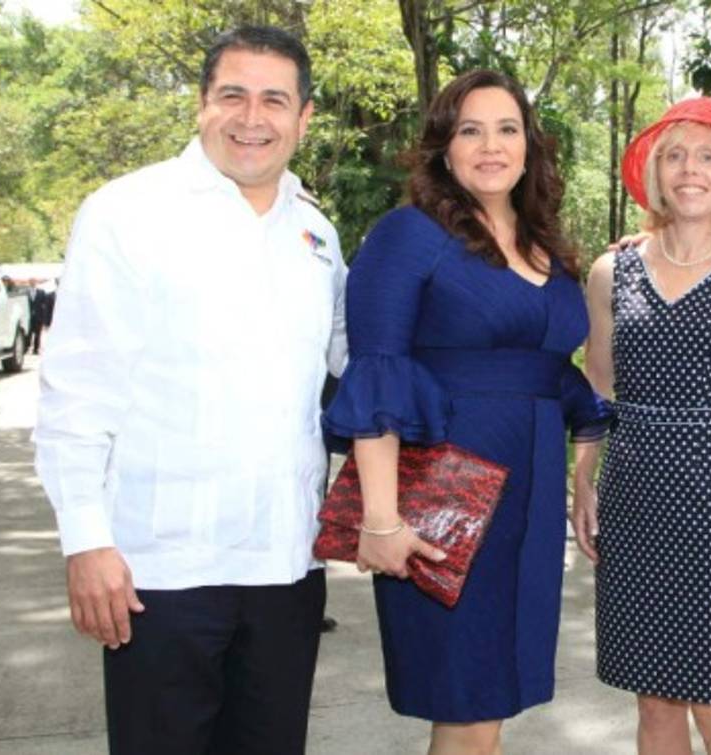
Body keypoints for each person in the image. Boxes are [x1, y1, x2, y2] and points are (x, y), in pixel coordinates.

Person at [33, 26, 346, 755]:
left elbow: (361, 356)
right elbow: (76, 388)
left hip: (284, 566)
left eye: (275, 100)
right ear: (201, 105)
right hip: (160, 570)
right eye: (232, 95)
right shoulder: (126, 213)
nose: (251, 117)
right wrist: (86, 539)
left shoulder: (316, 234)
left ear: (303, 119)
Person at [321, 69, 608, 755]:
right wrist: (382, 520)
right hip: (448, 495)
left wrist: (584, 472)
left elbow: (552, 375)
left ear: (530, 146)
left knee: (492, 701)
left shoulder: (547, 245)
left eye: (507, 129)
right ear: (443, 147)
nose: (491, 145)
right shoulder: (407, 236)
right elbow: (377, 377)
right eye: (469, 130)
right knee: (467, 703)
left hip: (529, 499)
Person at [572, 98, 711, 754]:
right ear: (655, 173)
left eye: (706, 156)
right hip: (634, 501)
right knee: (654, 705)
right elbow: (597, 386)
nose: (689, 169)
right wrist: (584, 478)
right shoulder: (613, 270)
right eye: (675, 155)